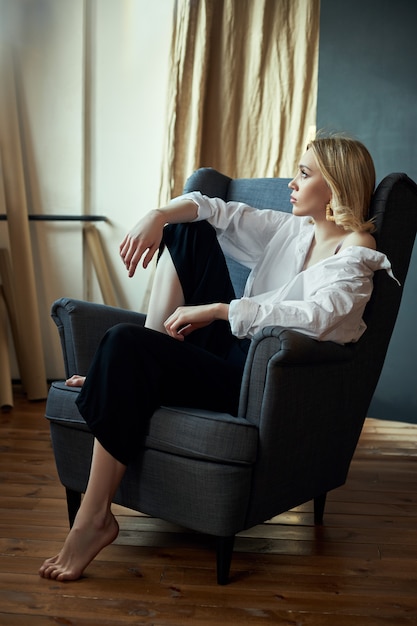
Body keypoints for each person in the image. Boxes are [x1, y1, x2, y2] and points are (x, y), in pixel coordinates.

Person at [39, 134, 395, 581]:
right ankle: (138, 366)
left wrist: (221, 310)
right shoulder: (293, 229)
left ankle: (93, 520)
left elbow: (320, 318)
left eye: (304, 174)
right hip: (228, 351)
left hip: (259, 377)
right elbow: (213, 208)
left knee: (122, 343)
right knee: (186, 228)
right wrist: (158, 214)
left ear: (336, 185)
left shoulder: (357, 254)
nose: (291, 182)